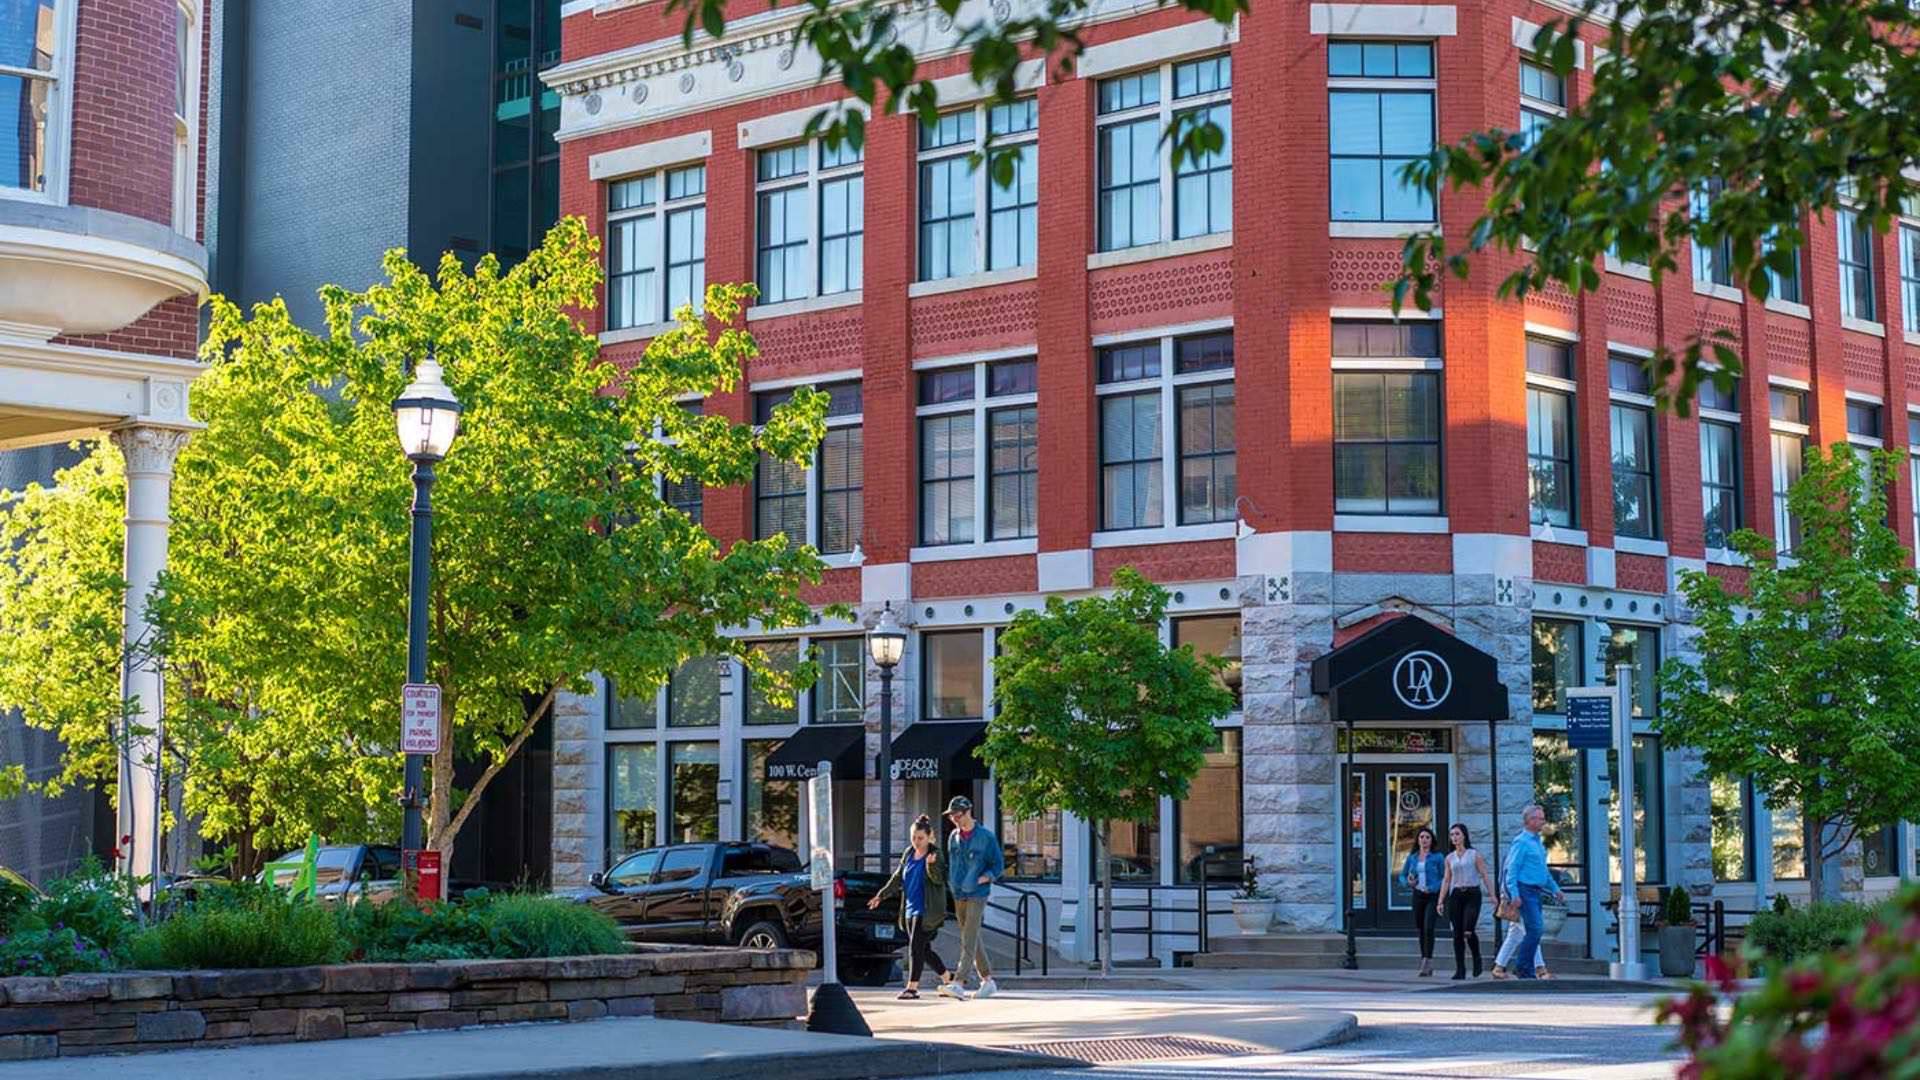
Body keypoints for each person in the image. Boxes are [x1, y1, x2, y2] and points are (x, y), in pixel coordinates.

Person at [869, 814, 964, 1000]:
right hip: (910, 908)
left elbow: (939, 879)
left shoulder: (935, 854)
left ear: (929, 837)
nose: (916, 842)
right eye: (914, 837)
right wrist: (881, 895)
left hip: (928, 909)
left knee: (915, 947)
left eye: (920, 838)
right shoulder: (908, 853)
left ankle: (912, 988)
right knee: (924, 949)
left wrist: (930, 866)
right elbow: (897, 877)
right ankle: (948, 978)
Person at [943, 796, 1005, 998]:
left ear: (968, 812)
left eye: (957, 815)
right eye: (951, 816)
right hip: (958, 891)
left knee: (968, 935)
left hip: (978, 893)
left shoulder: (986, 837)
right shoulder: (953, 836)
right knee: (970, 936)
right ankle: (987, 981)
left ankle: (959, 982)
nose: (954, 819)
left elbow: (998, 864)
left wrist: (986, 877)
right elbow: (952, 864)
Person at [1503, 803, 1565, 980]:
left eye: (1543, 818)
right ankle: (1523, 967)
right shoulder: (1521, 842)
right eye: (1540, 818)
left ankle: (1525, 967)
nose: (1543, 822)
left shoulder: (1537, 843)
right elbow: (1512, 870)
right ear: (1530, 820)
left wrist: (1555, 889)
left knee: (1534, 930)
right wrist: (1514, 894)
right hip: (1525, 890)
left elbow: (1543, 871)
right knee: (1536, 929)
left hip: (1536, 891)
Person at [1437, 823, 1492, 979]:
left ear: (1464, 836)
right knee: (1457, 934)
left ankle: (1476, 958)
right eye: (1452, 835)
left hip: (1472, 894)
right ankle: (1460, 969)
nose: (1454, 837)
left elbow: (1485, 876)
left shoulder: (1474, 854)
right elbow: (1446, 880)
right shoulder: (1449, 858)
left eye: (1457, 834)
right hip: (1456, 895)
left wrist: (1493, 896)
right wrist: (1440, 901)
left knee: (1468, 930)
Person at [1400, 825, 1446, 977]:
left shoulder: (1438, 857)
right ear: (1418, 840)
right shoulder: (1412, 857)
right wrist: (1408, 882)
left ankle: (1427, 961)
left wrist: (1433, 888)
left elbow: (1445, 877)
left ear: (1431, 840)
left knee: (1428, 927)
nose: (1424, 840)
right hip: (1418, 895)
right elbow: (1402, 876)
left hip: (1432, 896)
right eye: (1421, 837)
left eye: (1427, 837)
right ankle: (1424, 958)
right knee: (1420, 928)